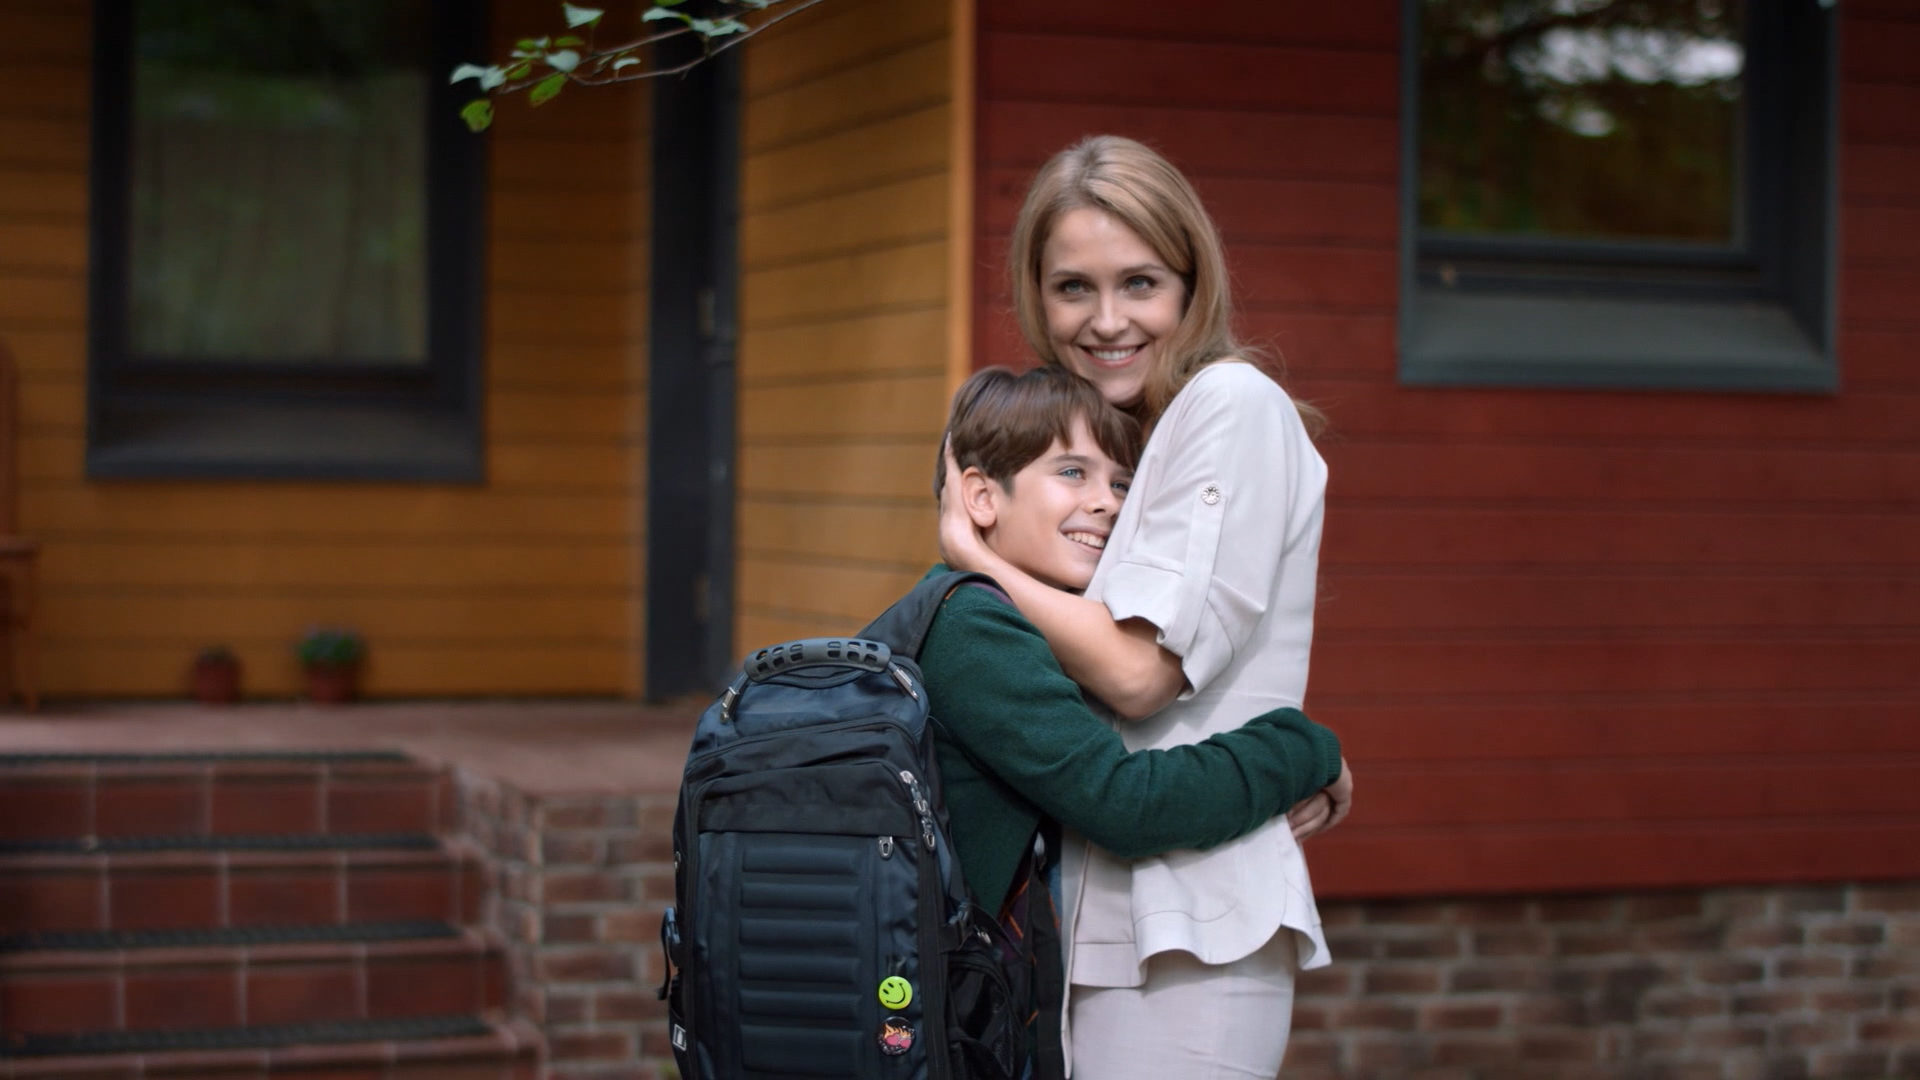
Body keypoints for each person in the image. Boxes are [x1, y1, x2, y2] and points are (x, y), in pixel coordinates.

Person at [937, 135, 1350, 1079]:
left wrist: (975, 559)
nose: (1107, 319)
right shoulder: (1110, 445)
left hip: (1190, 924)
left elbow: (1135, 673)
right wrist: (1301, 748)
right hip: (1082, 926)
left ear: (1192, 286)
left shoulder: (1229, 402)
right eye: (1072, 287)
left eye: (1140, 283)